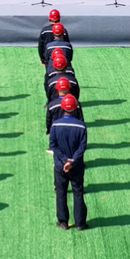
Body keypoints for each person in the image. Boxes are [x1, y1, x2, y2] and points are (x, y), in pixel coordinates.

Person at [50, 94, 89, 229]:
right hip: (76, 165)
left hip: (60, 165)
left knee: (61, 193)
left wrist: (64, 159)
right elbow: (82, 147)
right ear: (75, 108)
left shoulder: (55, 125)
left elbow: (53, 145)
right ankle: (80, 223)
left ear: (62, 108)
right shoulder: (81, 126)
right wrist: (72, 161)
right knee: (78, 192)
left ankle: (63, 222)